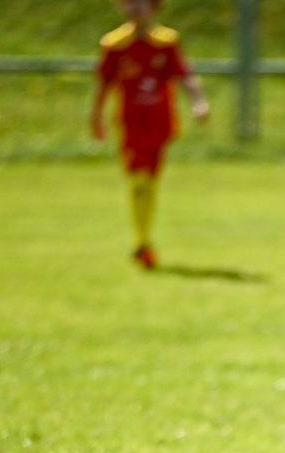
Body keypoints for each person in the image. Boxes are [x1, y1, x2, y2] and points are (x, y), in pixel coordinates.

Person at [91, 0, 210, 270]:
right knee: (139, 181)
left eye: (141, 2)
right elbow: (105, 83)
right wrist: (96, 118)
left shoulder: (166, 42)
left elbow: (184, 75)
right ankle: (142, 242)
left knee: (150, 180)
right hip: (131, 123)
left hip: (159, 122)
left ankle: (143, 241)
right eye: (130, 2)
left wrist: (198, 101)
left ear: (155, 6)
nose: (135, 7)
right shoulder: (114, 43)